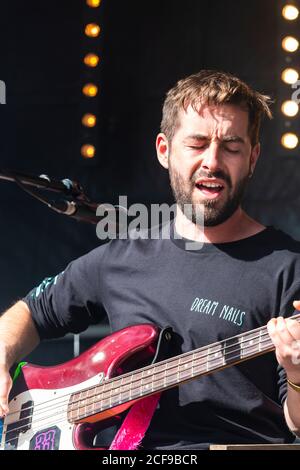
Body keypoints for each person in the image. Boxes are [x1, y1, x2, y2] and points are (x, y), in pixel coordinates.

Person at [1, 70, 300, 450]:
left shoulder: (289, 268)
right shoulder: (123, 255)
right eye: (197, 144)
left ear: (253, 157)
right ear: (164, 150)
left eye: (231, 146)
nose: (213, 161)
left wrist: (296, 372)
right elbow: (32, 311)